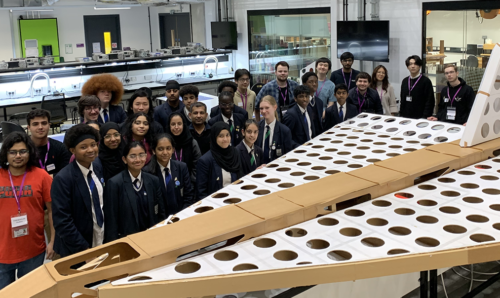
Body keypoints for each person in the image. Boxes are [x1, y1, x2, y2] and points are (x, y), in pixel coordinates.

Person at [0, 132, 54, 290]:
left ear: (30, 152)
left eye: (23, 151)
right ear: (6, 154)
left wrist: (53, 241)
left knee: (30, 293)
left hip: (33, 250)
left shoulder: (42, 176)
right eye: (13, 152)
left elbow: (52, 211)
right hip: (2, 252)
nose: (18, 156)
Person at [51, 124, 104, 257]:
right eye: (83, 147)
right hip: (76, 248)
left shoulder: (97, 167)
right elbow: (62, 221)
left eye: (93, 144)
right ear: (72, 150)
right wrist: (83, 250)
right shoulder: (63, 178)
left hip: (100, 238)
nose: (91, 150)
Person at [103, 141, 166, 243]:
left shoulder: (153, 180)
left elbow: (161, 212)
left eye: (141, 155)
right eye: (132, 156)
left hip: (151, 237)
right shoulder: (114, 183)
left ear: (146, 157)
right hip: (127, 241)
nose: (138, 160)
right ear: (124, 159)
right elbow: (111, 220)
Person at [144, 134, 194, 213]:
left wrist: (183, 214)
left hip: (182, 214)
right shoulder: (147, 172)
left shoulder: (182, 167)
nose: (165, 152)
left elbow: (188, 195)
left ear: (173, 149)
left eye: (168, 148)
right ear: (153, 151)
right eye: (160, 149)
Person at [197, 122, 244, 199]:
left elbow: (241, 176)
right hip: (215, 203)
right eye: (221, 136)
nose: (225, 139)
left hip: (236, 198)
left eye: (227, 135)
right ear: (214, 138)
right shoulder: (205, 161)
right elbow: (201, 192)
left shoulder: (235, 152)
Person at [27, 109, 71, 177]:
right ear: (29, 128)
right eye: (35, 124)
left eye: (44, 123)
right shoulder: (23, 149)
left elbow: (66, 174)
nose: (40, 127)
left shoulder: (61, 148)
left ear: (49, 125)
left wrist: (44, 180)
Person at [165, 112, 201, 184]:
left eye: (179, 124)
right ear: (169, 126)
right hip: (169, 182)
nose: (176, 127)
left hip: (190, 182)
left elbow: (197, 164)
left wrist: (190, 182)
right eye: (173, 124)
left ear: (184, 125)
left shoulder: (192, 142)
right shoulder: (165, 143)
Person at [256, 96, 294, 163]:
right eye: (261, 108)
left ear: (275, 107)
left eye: (267, 108)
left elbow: (288, 156)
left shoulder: (284, 131)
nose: (264, 111)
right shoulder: (257, 127)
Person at [400, 55, 435, 119]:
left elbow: (430, 101)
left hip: (420, 117)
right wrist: (401, 115)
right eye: (410, 64)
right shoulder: (405, 81)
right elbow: (402, 100)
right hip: (405, 117)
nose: (413, 66)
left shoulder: (426, 81)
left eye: (415, 64)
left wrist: (425, 117)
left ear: (420, 66)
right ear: (407, 67)